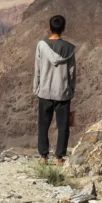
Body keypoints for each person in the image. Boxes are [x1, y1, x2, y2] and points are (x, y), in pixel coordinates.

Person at [33, 14, 77, 164]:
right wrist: (71, 90)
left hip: (45, 91)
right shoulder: (69, 49)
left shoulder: (41, 45)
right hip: (63, 92)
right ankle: (59, 158)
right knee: (63, 126)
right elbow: (72, 72)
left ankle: (43, 156)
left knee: (43, 125)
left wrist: (36, 88)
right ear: (63, 28)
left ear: (49, 27)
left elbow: (37, 69)